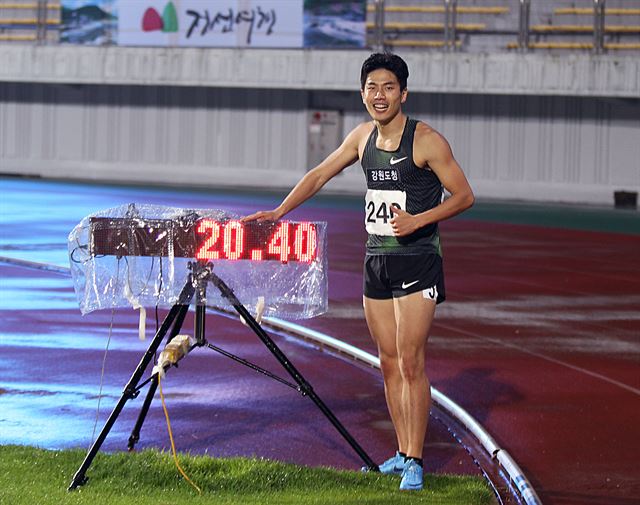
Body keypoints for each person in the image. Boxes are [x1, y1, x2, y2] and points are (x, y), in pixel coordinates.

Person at [242, 52, 474, 491]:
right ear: (362, 94)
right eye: (372, 88)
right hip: (377, 260)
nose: (379, 95)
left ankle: (417, 463)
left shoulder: (426, 140)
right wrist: (279, 211)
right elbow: (319, 174)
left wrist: (418, 221)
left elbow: (464, 196)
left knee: (411, 360)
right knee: (387, 362)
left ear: (403, 93)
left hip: (418, 260)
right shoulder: (362, 136)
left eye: (388, 87)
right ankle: (403, 452)